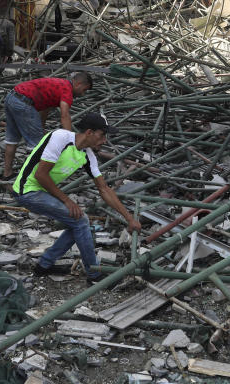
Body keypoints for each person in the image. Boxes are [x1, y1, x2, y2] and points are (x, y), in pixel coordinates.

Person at [12, 113, 142, 283]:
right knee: (81, 221)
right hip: (27, 190)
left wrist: (129, 219)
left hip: (41, 191)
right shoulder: (60, 137)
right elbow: (40, 175)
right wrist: (67, 200)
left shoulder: (88, 156)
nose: (104, 141)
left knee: (77, 223)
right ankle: (94, 275)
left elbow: (104, 189)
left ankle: (44, 265)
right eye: (102, 135)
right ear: (89, 132)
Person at [3, 72, 93, 175]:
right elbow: (64, 116)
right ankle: (30, 177)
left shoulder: (58, 85)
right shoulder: (67, 90)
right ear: (78, 84)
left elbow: (46, 107)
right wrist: (70, 141)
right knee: (36, 145)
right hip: (24, 103)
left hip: (11, 97)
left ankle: (7, 173)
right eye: (84, 90)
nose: (83, 94)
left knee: (12, 140)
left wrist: (41, 127)